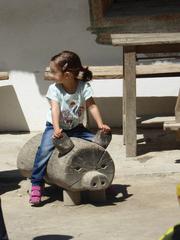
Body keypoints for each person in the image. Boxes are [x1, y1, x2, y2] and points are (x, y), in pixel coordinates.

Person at [29, 50, 111, 205]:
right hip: (55, 126)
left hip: (76, 127)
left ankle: (100, 174)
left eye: (54, 72)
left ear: (67, 75)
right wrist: (56, 128)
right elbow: (55, 109)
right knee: (44, 150)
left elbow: (91, 105)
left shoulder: (83, 87)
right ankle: (36, 183)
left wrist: (101, 124)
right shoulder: (55, 89)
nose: (51, 75)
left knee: (98, 142)